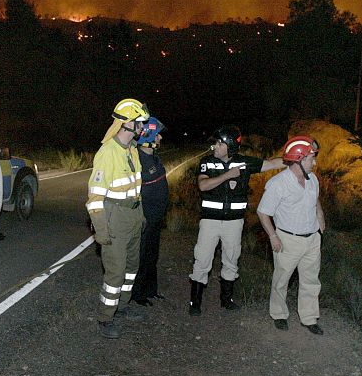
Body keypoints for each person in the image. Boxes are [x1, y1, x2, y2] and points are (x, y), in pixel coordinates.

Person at [189, 126, 284, 316]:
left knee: (231, 259)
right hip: (210, 221)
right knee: (202, 260)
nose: (214, 146)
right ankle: (195, 303)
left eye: (219, 143)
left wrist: (295, 159)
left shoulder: (244, 163)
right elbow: (203, 185)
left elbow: (272, 164)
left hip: (234, 223)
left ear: (230, 145)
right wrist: (227, 175)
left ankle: (227, 300)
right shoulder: (207, 162)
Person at [86, 98, 150, 339]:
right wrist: (100, 229)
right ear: (127, 123)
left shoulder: (132, 149)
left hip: (132, 216)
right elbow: (94, 197)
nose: (143, 127)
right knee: (115, 272)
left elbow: (136, 188)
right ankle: (105, 317)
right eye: (139, 122)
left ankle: (122, 308)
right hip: (115, 218)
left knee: (131, 268)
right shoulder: (107, 153)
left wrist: (140, 216)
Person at [257, 136, 326, 335]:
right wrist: (273, 236)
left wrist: (319, 213)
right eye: (311, 158)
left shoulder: (312, 179)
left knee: (311, 280)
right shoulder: (278, 184)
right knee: (282, 279)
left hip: (312, 238)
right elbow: (263, 212)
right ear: (298, 160)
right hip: (288, 239)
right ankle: (279, 314)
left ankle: (309, 317)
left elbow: (314, 198)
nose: (315, 162)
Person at [131, 117, 169, 307]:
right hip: (144, 220)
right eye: (157, 134)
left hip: (155, 219)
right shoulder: (137, 160)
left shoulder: (153, 156)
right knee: (141, 257)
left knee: (152, 256)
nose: (160, 137)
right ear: (147, 135)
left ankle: (150, 290)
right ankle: (137, 295)